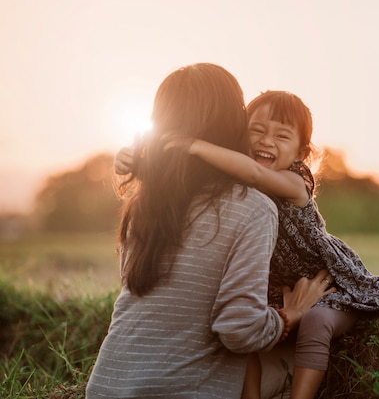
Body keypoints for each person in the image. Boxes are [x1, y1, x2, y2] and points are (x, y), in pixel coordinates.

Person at [118, 90, 379, 399]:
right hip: (277, 292)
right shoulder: (234, 177)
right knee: (246, 333)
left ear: (301, 153)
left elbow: (253, 172)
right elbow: (188, 177)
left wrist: (195, 145)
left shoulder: (294, 182)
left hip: (327, 286)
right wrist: (136, 160)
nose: (267, 141)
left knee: (317, 322)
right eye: (257, 130)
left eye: (282, 136)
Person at [86, 65, 335, 399]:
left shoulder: (145, 204)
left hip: (106, 387)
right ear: (234, 123)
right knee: (291, 356)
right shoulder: (252, 207)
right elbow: (239, 331)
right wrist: (293, 313)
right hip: (179, 392)